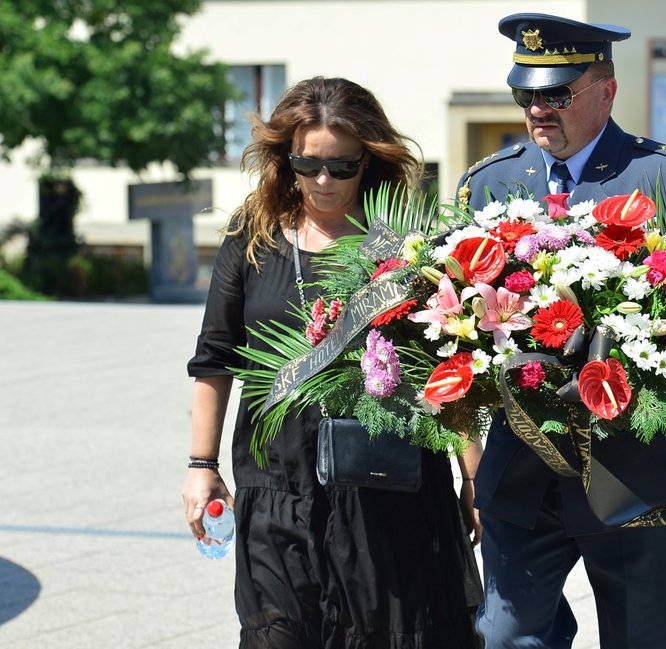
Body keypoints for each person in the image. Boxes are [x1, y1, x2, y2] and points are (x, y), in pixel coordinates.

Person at [455, 14, 666, 649]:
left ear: (606, 91)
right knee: (504, 639)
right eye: (525, 95)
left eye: (556, 95)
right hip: (521, 470)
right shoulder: (489, 184)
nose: (537, 110)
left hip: (634, 478)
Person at [182, 76, 484, 649]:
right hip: (277, 484)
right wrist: (201, 465)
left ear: (368, 161)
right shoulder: (254, 239)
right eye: (309, 164)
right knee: (278, 636)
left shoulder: (407, 245)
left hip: (388, 486)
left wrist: (474, 476)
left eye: (343, 167)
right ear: (284, 159)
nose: (324, 181)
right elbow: (215, 360)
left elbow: (454, 366)